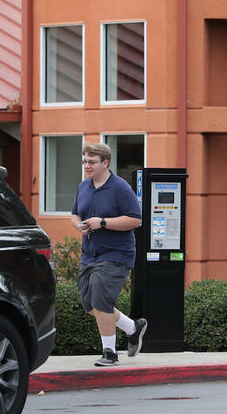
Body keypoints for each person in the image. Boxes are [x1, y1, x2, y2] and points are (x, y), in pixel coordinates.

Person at [70, 142, 148, 367]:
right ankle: (133, 328)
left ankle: (110, 353)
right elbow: (74, 214)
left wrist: (102, 222)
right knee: (89, 305)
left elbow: (135, 219)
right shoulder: (84, 187)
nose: (87, 166)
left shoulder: (120, 187)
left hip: (116, 253)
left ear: (105, 163)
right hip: (89, 254)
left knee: (101, 301)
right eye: (84, 161)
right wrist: (78, 225)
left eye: (91, 162)